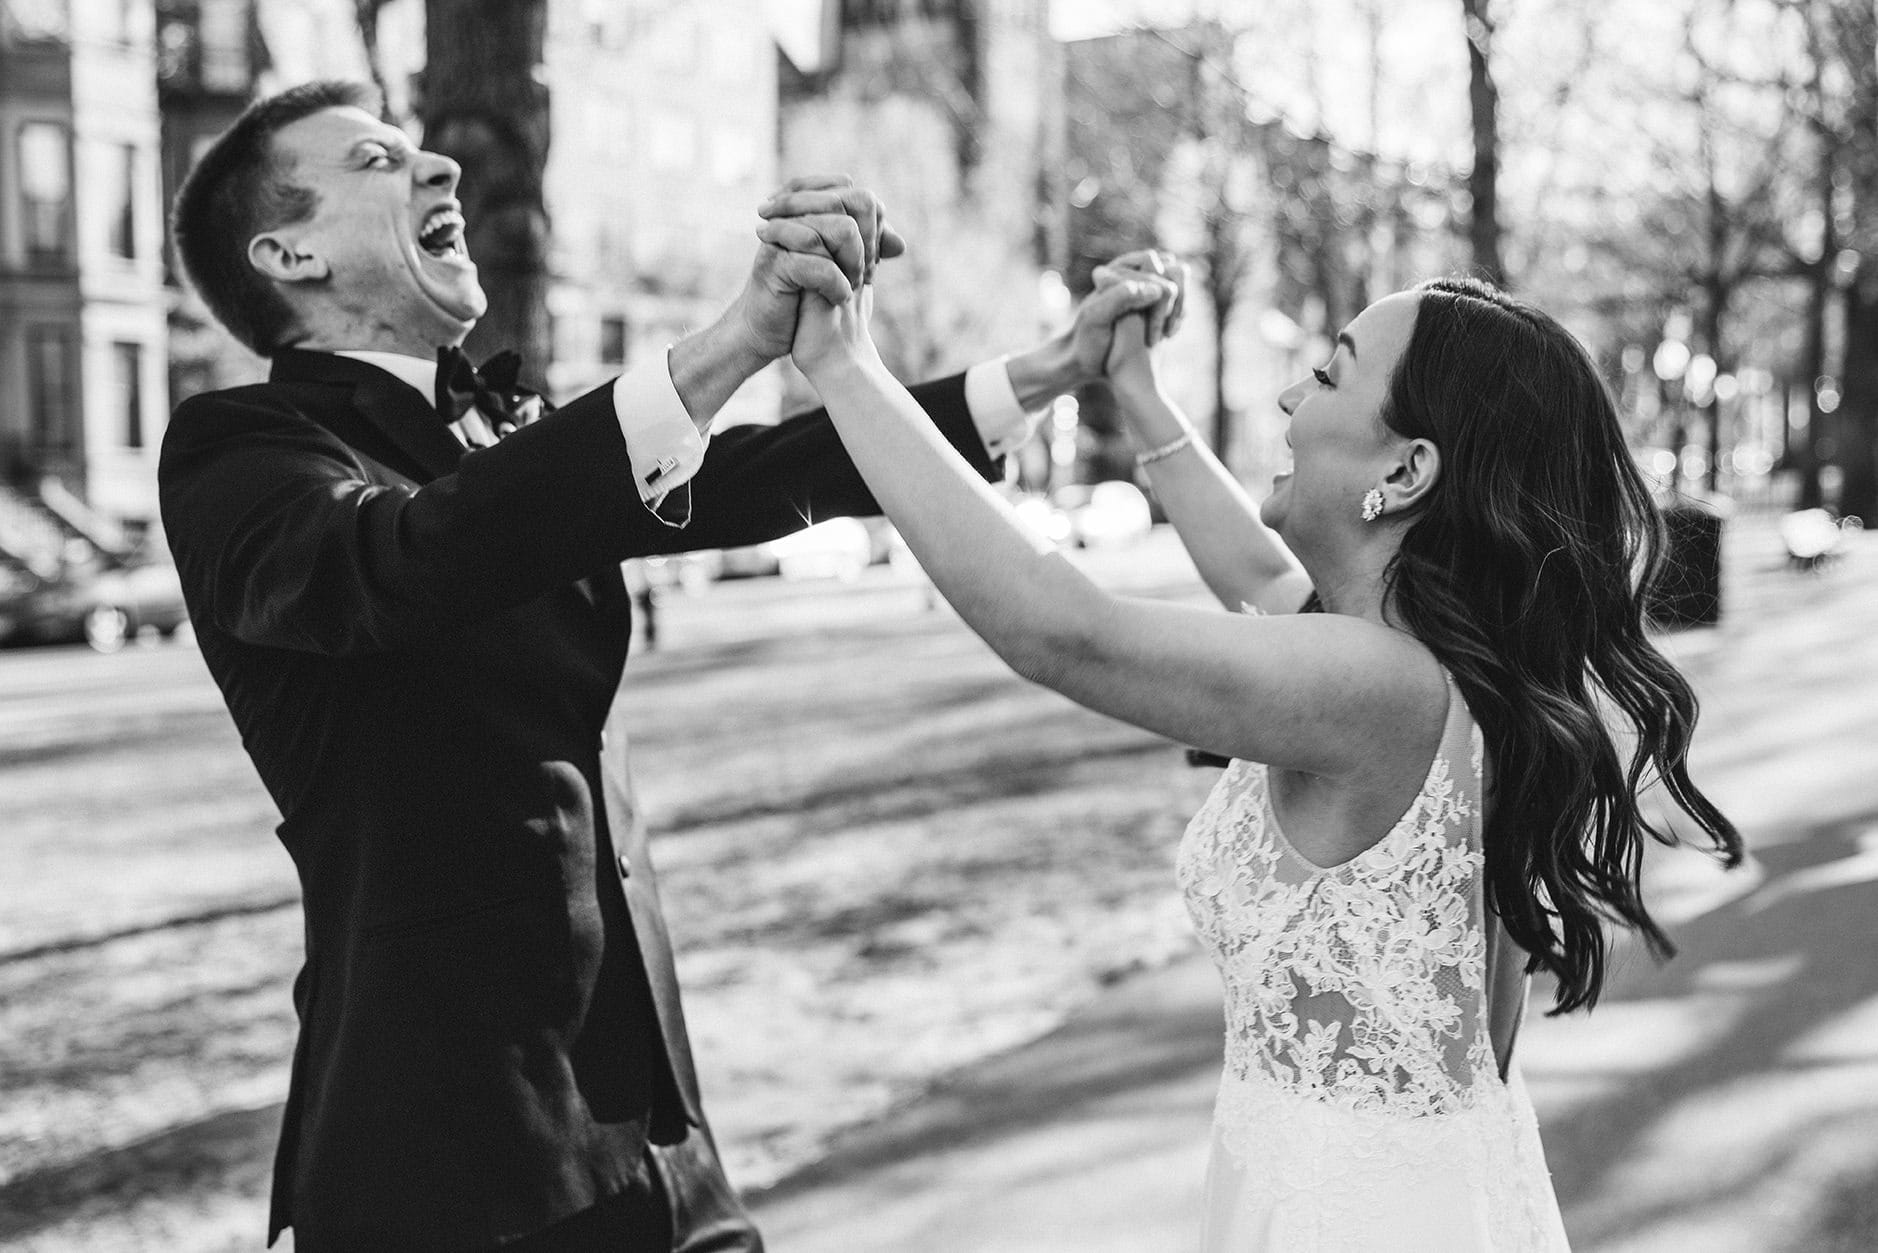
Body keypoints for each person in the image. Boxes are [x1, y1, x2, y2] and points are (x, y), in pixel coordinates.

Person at [159, 81, 1172, 1252]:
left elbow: (754, 472)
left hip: (655, 1132)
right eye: (378, 160)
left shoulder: (500, 434)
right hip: (449, 1163)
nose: (438, 168)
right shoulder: (240, 452)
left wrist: (1051, 368)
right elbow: (398, 560)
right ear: (286, 250)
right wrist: (731, 341)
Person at [785, 256, 1741, 1251]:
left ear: (1406, 472)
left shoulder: (1375, 689)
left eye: (1326, 376)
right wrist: (1138, 393)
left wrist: (847, 365)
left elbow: (1062, 632)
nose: (1289, 394)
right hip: (1391, 1194)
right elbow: (1257, 571)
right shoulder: (1429, 670)